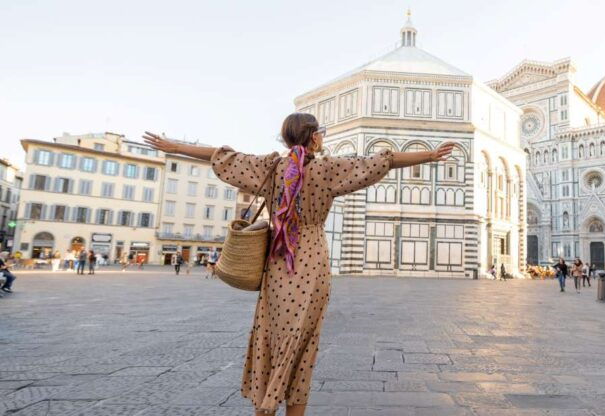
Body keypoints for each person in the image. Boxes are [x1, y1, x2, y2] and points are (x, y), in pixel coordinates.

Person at [144, 113, 455, 416]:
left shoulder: (269, 168)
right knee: (303, 344)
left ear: (286, 138)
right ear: (316, 138)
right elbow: (381, 161)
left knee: (270, 334)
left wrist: (176, 148)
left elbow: (222, 156)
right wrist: (428, 156)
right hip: (311, 262)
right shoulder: (328, 170)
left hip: (278, 262)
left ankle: (263, 407)